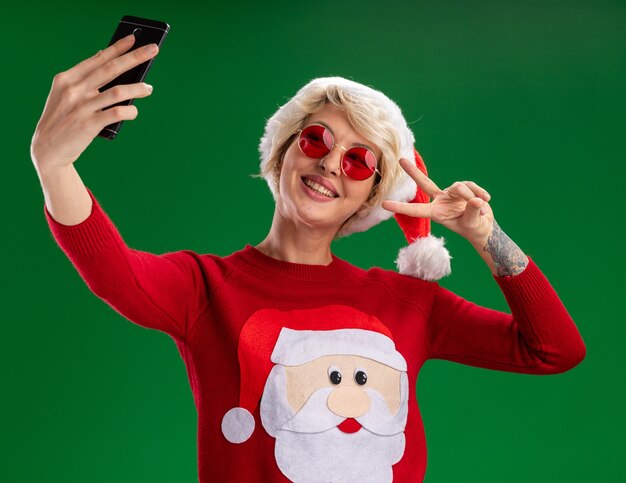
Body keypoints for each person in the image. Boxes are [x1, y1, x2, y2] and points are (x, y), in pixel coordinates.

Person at [31, 34, 586, 483]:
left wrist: (485, 236)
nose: (331, 166)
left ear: (372, 196)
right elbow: (116, 273)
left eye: (360, 160)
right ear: (283, 150)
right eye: (318, 140)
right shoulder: (205, 287)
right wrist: (55, 167)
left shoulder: (405, 301)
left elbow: (554, 350)